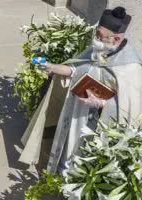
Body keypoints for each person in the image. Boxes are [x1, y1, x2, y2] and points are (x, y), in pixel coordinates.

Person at [19, 6, 142, 173]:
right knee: (69, 147)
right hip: (77, 113)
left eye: (100, 36)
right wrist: (53, 67)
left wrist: (101, 104)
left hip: (100, 123)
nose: (95, 39)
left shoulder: (130, 67)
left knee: (86, 158)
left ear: (117, 39)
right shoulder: (99, 48)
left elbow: (130, 108)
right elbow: (77, 69)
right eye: (96, 33)